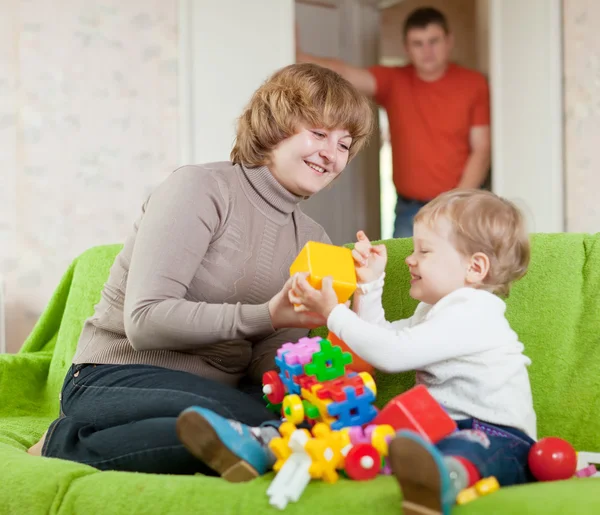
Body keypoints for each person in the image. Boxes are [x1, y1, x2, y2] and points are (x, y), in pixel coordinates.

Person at [27, 63, 374, 482]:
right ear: (276, 124)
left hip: (216, 392)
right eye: (319, 134)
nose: (331, 154)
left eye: (344, 144)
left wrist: (311, 385)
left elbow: (269, 351)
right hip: (117, 376)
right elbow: (145, 322)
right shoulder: (200, 188)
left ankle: (216, 435)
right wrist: (267, 314)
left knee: (298, 429)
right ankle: (63, 444)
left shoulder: (313, 238)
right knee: (253, 425)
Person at [289, 189, 536, 514]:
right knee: (368, 435)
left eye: (425, 250)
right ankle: (275, 444)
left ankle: (444, 479)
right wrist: (371, 283)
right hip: (439, 429)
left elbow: (392, 355)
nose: (409, 257)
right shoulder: (436, 309)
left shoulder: (473, 311)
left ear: (475, 267)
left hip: (496, 436)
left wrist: (335, 313)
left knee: (466, 451)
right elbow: (382, 339)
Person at [297, 7, 491, 238]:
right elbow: (342, 72)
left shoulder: (473, 84)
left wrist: (455, 204)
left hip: (461, 207)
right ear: (407, 48)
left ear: (449, 41)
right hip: (409, 209)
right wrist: (297, 55)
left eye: (433, 41)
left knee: (462, 271)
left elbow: (482, 149)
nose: (427, 50)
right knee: (403, 273)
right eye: (418, 43)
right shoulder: (394, 81)